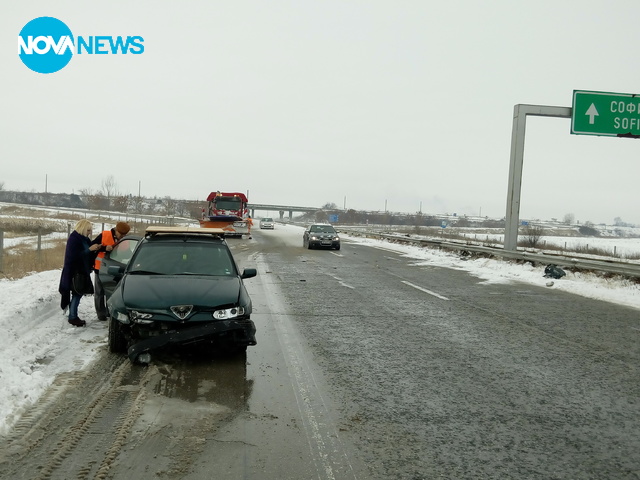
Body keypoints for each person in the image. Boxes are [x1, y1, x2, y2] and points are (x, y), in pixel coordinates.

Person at [59, 219, 101, 327]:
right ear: (82, 228)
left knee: (78, 293)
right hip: (74, 272)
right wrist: (89, 250)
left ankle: (72, 315)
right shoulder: (74, 239)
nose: (89, 233)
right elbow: (73, 256)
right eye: (88, 230)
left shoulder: (84, 239)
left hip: (82, 271)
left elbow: (87, 252)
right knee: (77, 293)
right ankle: (72, 317)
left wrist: (97, 248)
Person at [92, 221, 131, 321]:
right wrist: (105, 248)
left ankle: (110, 312)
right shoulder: (104, 235)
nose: (122, 236)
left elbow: (128, 254)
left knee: (111, 291)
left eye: (124, 235)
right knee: (99, 293)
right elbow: (93, 247)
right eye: (121, 234)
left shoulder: (125, 240)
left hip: (115, 270)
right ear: (116, 230)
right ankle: (101, 315)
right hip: (100, 268)